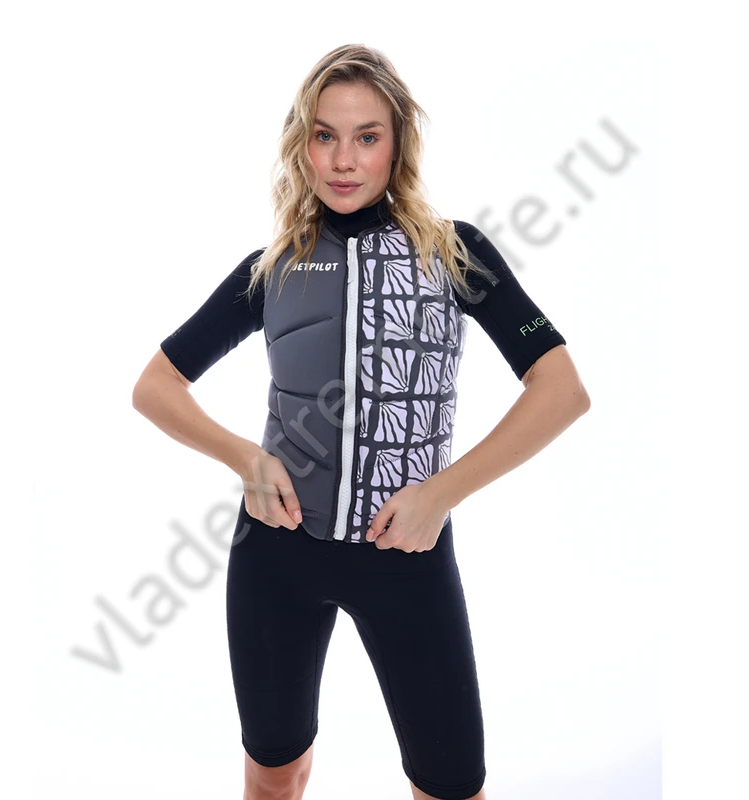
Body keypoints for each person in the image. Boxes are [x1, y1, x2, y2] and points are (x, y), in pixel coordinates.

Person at [133, 43, 590, 800]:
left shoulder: (454, 253)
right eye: (325, 135)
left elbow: (561, 389)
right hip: (275, 557)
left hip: (407, 560)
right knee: (276, 778)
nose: (344, 160)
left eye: (367, 136)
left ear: (397, 144)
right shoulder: (272, 267)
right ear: (302, 145)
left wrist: (441, 494)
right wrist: (245, 459)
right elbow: (156, 386)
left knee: (451, 788)